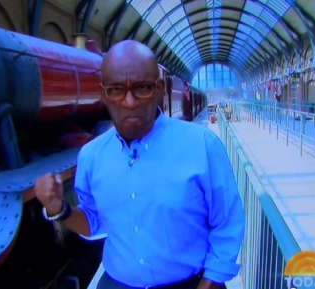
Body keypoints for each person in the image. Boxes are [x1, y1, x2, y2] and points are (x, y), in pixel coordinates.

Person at [33, 40, 245, 289]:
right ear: (104, 94)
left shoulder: (202, 145)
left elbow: (228, 223)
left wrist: (209, 283)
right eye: (116, 90)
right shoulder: (91, 156)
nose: (130, 101)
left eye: (142, 88)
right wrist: (59, 208)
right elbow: (94, 222)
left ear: (159, 89)